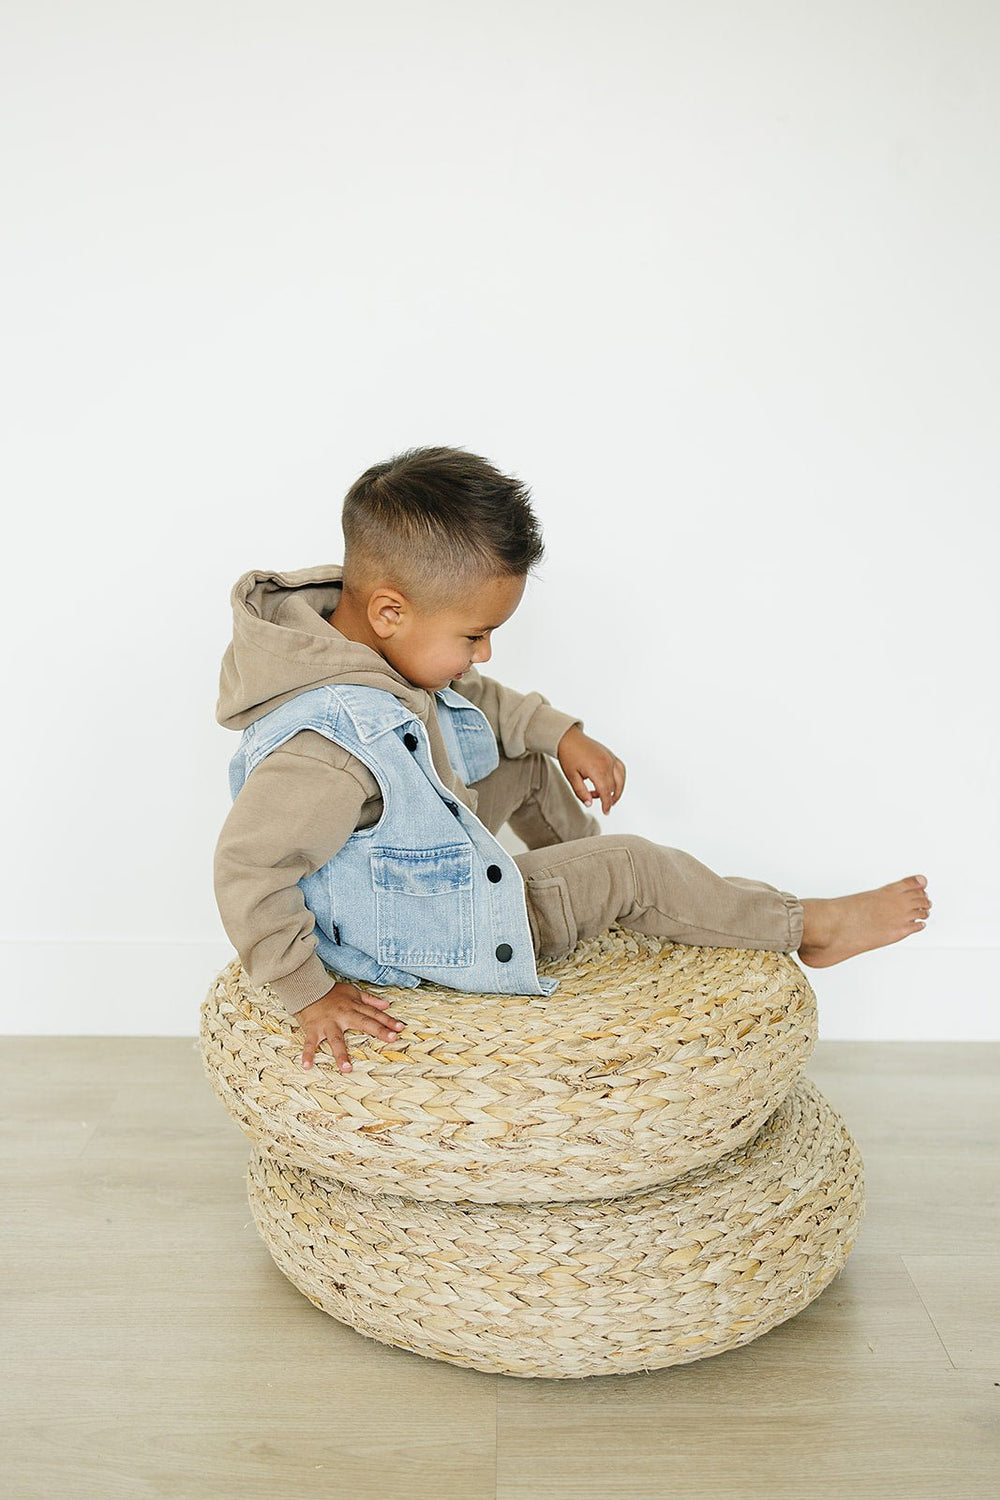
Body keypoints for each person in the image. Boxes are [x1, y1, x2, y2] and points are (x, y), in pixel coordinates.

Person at [213, 445, 932, 1076]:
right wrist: (308, 991)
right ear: (390, 612)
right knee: (633, 866)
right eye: (475, 635)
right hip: (418, 934)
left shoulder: (357, 640)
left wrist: (558, 735)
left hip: (403, 875)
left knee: (526, 764)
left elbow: (471, 694)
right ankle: (807, 926)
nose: (484, 652)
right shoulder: (327, 750)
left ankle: (596, 895)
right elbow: (249, 867)